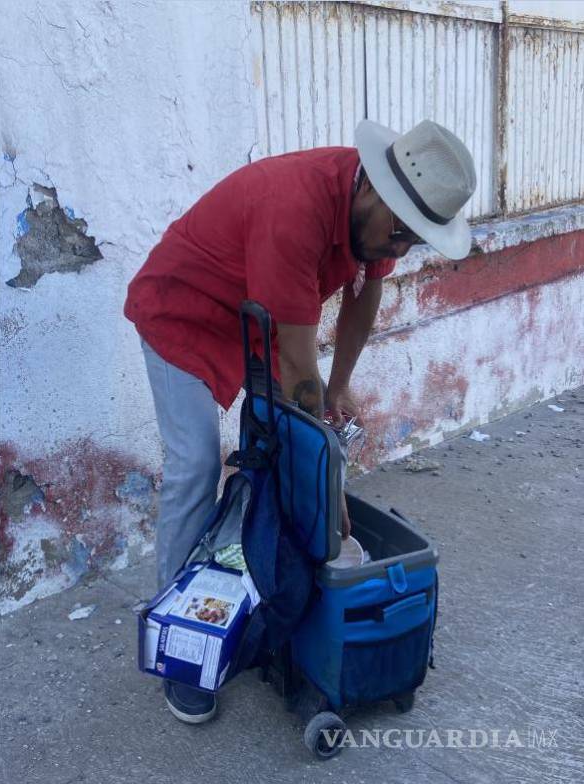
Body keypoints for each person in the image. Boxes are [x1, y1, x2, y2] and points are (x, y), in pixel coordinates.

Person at [124, 118, 476, 724]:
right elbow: (295, 361)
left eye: (412, 241)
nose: (398, 249)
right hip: (180, 313)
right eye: (397, 233)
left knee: (280, 459)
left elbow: (367, 291)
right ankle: (181, 651)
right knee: (197, 466)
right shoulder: (296, 209)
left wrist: (340, 387)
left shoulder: (379, 218)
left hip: (252, 319)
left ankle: (263, 604)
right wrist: (330, 476)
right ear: (371, 188)